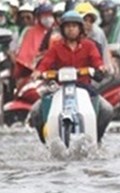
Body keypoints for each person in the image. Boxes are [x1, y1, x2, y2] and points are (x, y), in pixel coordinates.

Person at [30, 11, 112, 142]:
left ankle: (97, 139)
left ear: (80, 28)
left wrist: (101, 67)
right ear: (62, 29)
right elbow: (46, 62)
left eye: (74, 26)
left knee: (107, 110)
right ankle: (45, 142)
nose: (71, 29)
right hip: (59, 88)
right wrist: (38, 72)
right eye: (68, 26)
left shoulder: (89, 45)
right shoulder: (56, 47)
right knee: (35, 112)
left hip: (84, 88)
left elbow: (97, 61)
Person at [14, 3, 55, 84]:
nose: (47, 18)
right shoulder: (30, 31)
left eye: (50, 15)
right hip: (32, 73)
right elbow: (24, 56)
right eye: (44, 15)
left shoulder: (58, 32)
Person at [75, 1, 117, 75]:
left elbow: (103, 56)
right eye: (84, 20)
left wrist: (104, 68)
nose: (87, 24)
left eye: (91, 21)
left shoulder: (97, 35)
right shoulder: (65, 35)